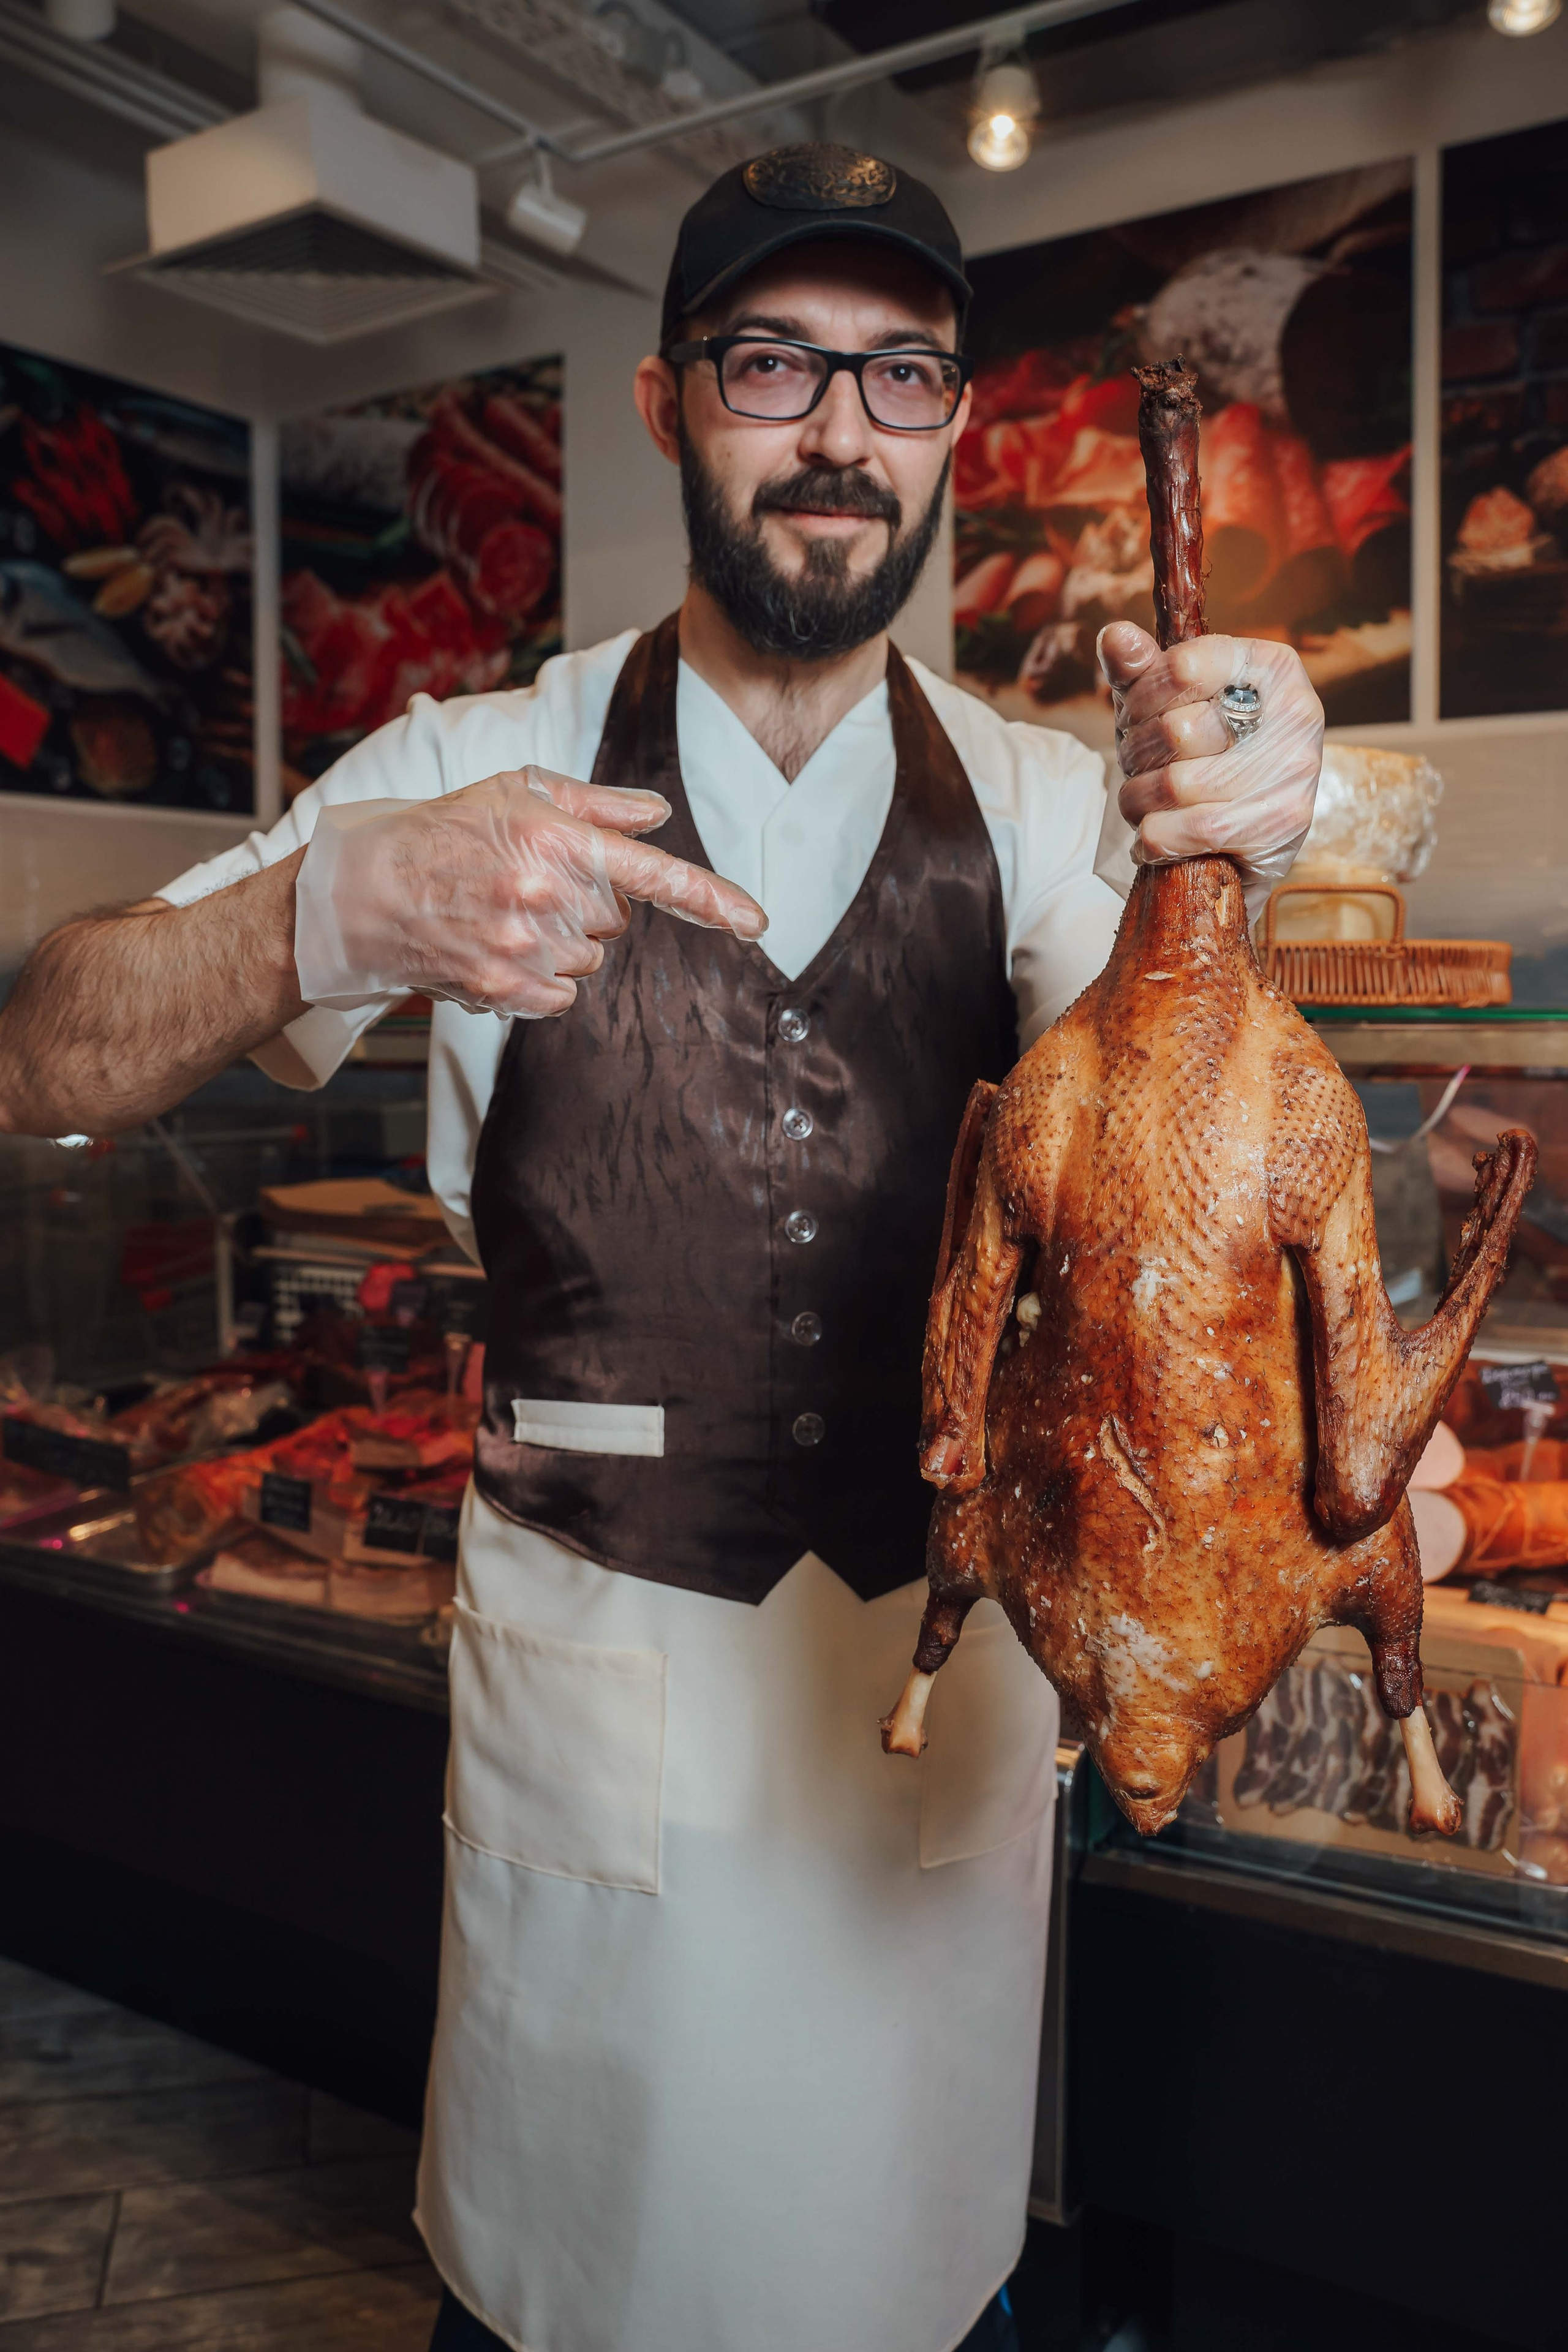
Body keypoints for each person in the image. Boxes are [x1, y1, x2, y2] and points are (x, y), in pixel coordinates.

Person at [0, 144, 1322, 2352]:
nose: (837, 433)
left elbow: (1205, 1177)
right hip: (597, 1756)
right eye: (775, 363)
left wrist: (1252, 839)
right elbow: (47, 1043)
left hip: (922, 1757)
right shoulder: (473, 755)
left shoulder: (1035, 807)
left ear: (954, 431)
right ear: (662, 402)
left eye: (899, 379)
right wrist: (337, 905)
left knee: (916, 2301)